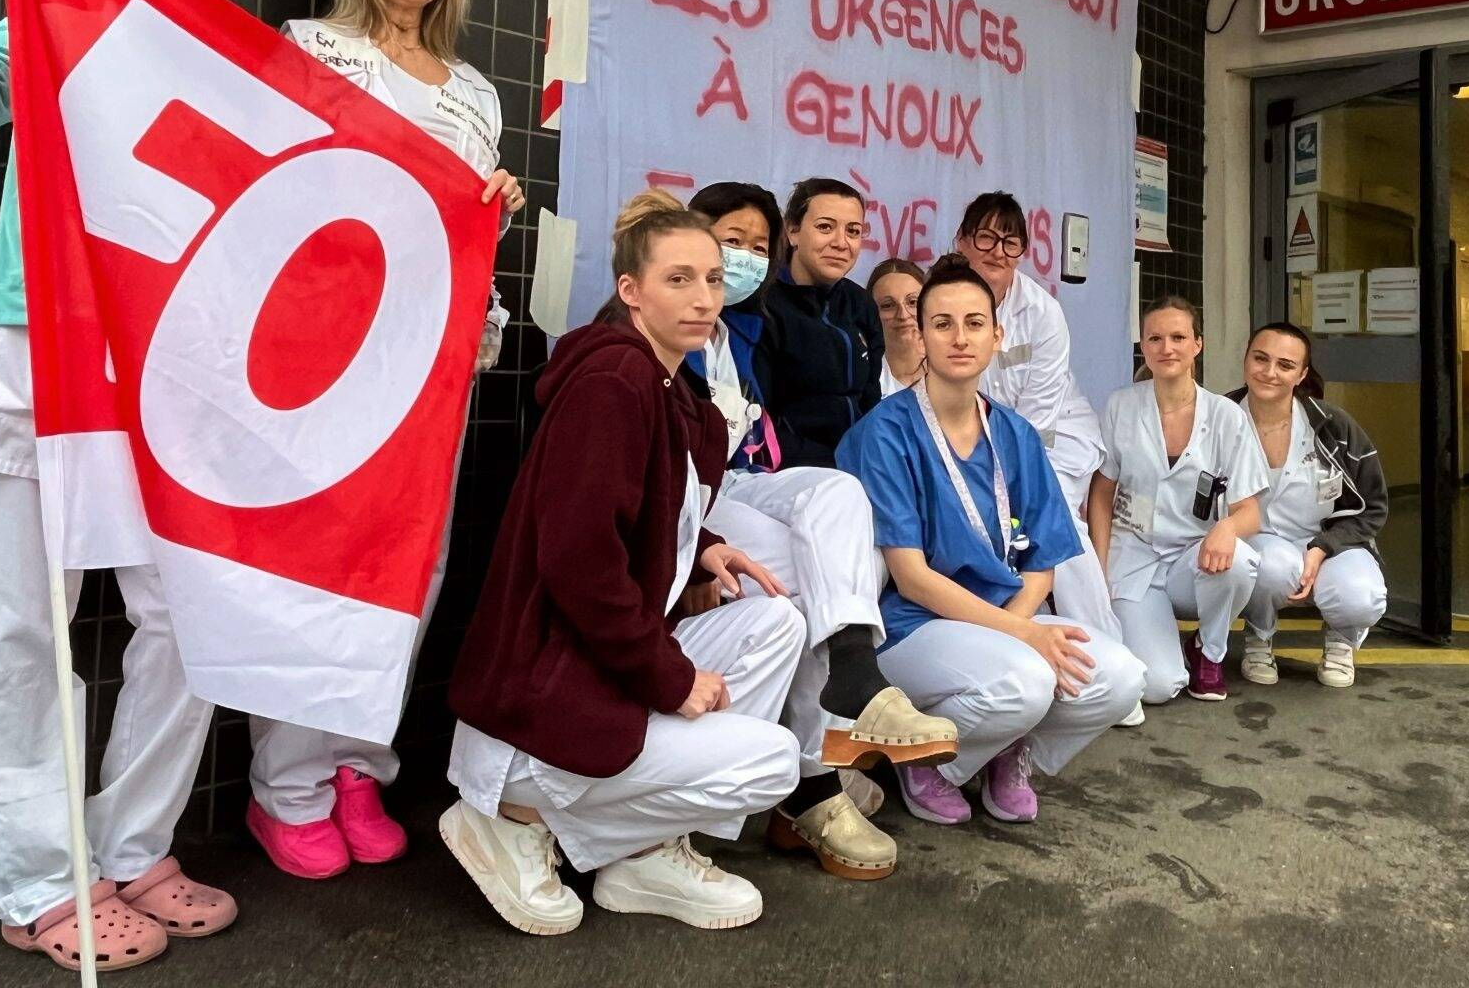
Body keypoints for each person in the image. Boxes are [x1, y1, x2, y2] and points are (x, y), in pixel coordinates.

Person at [0, 0, 261, 970]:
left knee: (192, 615)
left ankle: (131, 842)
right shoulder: (65, 23)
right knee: (18, 634)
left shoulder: (237, 72)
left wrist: (459, 198)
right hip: (29, 354)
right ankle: (40, 884)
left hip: (163, 385)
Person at [247, 0, 524, 878]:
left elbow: (467, 229)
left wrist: (492, 201)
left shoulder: (475, 91)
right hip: (324, 352)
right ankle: (287, 785)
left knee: (411, 568)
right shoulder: (308, 46)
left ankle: (361, 763)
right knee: (315, 566)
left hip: (433, 361)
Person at [442, 191, 806, 935]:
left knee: (775, 625)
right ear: (630, 292)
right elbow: (579, 559)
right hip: (535, 702)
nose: (704, 296)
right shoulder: (614, 382)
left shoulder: (667, 382)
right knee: (772, 762)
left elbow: (634, 504)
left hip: (587, 672)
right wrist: (668, 680)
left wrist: (700, 549)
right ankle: (511, 820)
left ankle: (639, 850)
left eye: (712, 278)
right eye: (679, 279)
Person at [685, 185, 957, 883]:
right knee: (830, 575)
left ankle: (825, 750)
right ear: (796, 237)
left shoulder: (846, 307)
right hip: (743, 494)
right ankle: (813, 778)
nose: (738, 262)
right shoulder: (745, 315)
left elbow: (863, 406)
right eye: (728, 245)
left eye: (855, 229)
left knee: (839, 549)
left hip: (817, 491)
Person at [837, 257, 1146, 825]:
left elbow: (1042, 560)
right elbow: (911, 576)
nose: (960, 338)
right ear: (921, 333)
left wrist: (1021, 626)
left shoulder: (1015, 432)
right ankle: (928, 763)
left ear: (997, 336)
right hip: (915, 627)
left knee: (1121, 678)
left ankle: (1004, 748)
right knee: (1026, 681)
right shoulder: (884, 432)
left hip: (1007, 614)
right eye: (944, 323)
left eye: (975, 323)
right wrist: (1023, 636)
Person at [951, 192, 1123, 642]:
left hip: (1053, 437)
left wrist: (1005, 476)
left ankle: (1103, 648)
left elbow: (1037, 419)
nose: (997, 253)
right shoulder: (944, 296)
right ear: (962, 240)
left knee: (1052, 515)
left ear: (1023, 252)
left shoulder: (1043, 313)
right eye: (986, 238)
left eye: (1010, 243)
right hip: (975, 442)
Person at [1087, 297, 1268, 704]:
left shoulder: (1226, 416)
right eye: (1155, 338)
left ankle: (1209, 650)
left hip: (1195, 560)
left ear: (1197, 345)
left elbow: (1250, 512)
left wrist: (1225, 527)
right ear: (1144, 346)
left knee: (1239, 559)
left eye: (1178, 337)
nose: (1166, 348)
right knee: (1157, 687)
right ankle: (1167, 650)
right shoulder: (1121, 405)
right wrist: (1099, 566)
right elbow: (1102, 492)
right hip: (1134, 560)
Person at [1227, 324, 1390, 689]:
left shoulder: (1333, 427)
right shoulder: (1218, 419)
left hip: (1332, 541)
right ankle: (1258, 637)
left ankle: (1340, 641)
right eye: (1261, 358)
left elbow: (1373, 507)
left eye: (1285, 365)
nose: (1269, 372)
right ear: (1246, 359)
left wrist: (1324, 547)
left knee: (1360, 595)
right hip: (1256, 541)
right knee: (1269, 568)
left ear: (1301, 375)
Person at [756, 178, 884, 466]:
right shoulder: (764, 305)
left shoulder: (860, 303)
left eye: (853, 231)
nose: (840, 243)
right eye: (825, 227)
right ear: (793, 231)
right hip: (789, 469)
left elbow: (871, 402)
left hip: (860, 463)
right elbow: (761, 420)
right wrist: (838, 466)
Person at [868, 257, 927, 395]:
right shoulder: (864, 376)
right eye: (888, 305)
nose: (903, 315)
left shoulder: (952, 368)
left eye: (912, 302)